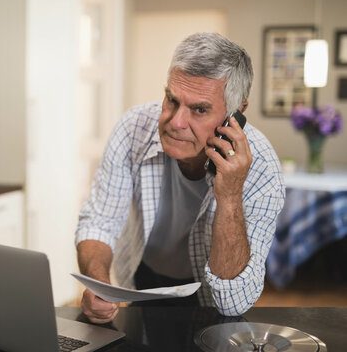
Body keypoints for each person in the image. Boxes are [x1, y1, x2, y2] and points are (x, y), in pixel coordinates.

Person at [75, 32, 285, 322]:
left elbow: (234, 302)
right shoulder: (133, 127)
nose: (176, 122)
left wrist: (230, 195)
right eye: (172, 100)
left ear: (235, 115)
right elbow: (100, 222)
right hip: (140, 279)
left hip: (210, 300)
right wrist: (98, 284)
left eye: (199, 109)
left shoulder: (262, 167)